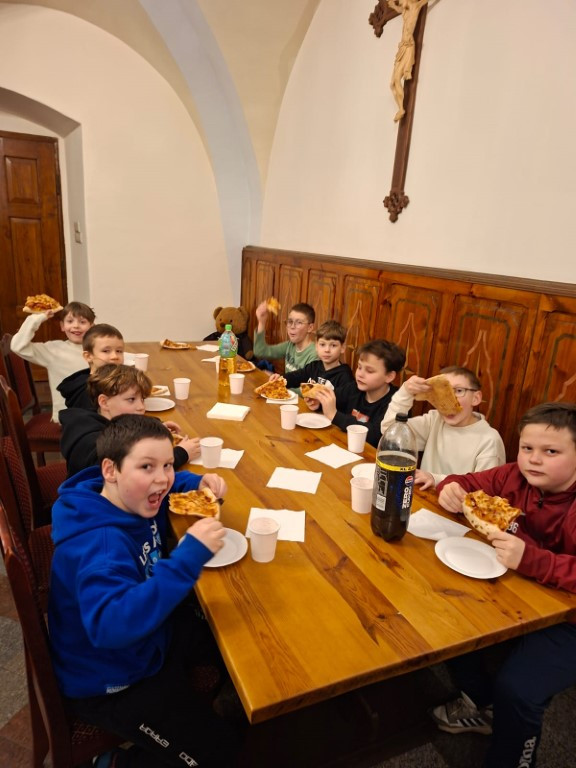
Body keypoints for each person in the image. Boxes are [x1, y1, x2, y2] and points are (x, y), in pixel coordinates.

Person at [48, 414, 242, 767]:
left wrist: (196, 481)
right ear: (111, 469)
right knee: (220, 754)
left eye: (167, 465)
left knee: (236, 637)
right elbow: (111, 627)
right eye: (147, 466)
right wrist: (187, 558)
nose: (163, 479)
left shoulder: (121, 492)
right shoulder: (101, 548)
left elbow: (164, 483)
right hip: (112, 678)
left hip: (148, 637)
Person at [431, 402, 576, 768]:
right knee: (447, 619)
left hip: (568, 620)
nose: (534, 459)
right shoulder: (513, 475)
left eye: (551, 451)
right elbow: (466, 483)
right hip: (517, 592)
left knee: (518, 690)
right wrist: (450, 489)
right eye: (527, 448)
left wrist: (532, 559)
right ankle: (482, 704)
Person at [60, 364, 200, 477]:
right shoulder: (91, 442)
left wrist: (154, 426)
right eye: (131, 399)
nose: (141, 407)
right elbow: (133, 474)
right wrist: (181, 453)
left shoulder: (106, 420)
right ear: (104, 402)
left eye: (142, 399)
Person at [381, 366, 506, 489]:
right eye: (442, 391)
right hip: (423, 497)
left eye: (458, 391)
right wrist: (405, 392)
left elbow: (484, 489)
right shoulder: (433, 420)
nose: (449, 398)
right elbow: (389, 432)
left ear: (476, 398)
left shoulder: (490, 440)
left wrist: (435, 479)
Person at [307, 339, 406, 448]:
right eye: (359, 367)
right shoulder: (354, 388)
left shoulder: (397, 403)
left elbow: (376, 436)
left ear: (389, 376)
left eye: (369, 371)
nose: (360, 374)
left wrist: (334, 415)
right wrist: (319, 402)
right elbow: (334, 399)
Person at [10, 300, 96, 421]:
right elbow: (18, 346)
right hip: (68, 418)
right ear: (62, 326)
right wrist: (37, 318)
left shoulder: (99, 348)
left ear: (92, 327)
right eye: (70, 321)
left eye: (82, 322)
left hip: (97, 412)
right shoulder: (54, 350)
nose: (76, 326)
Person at [268, 320, 355, 393]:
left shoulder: (345, 376)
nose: (327, 350)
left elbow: (345, 403)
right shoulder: (314, 366)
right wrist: (281, 379)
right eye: (322, 344)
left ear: (342, 348)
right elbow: (296, 376)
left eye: (333, 345)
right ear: (316, 346)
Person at [58, 322, 125, 410]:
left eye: (119, 351)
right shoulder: (87, 391)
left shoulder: (118, 379)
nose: (115, 356)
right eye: (106, 351)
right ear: (88, 356)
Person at [387, 0, 429, 121]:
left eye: (400, 0)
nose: (399, 2)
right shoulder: (404, 11)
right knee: (392, 84)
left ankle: (401, 109)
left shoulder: (415, 7)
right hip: (402, 48)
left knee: (396, 79)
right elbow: (396, 8)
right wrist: (391, 4)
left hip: (408, 47)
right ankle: (400, 108)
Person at [253, 301, 318, 374]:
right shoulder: (289, 345)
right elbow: (260, 352)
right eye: (290, 321)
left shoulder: (315, 354)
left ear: (310, 328)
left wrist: (278, 378)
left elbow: (307, 381)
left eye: (299, 322)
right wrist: (261, 322)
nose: (292, 326)